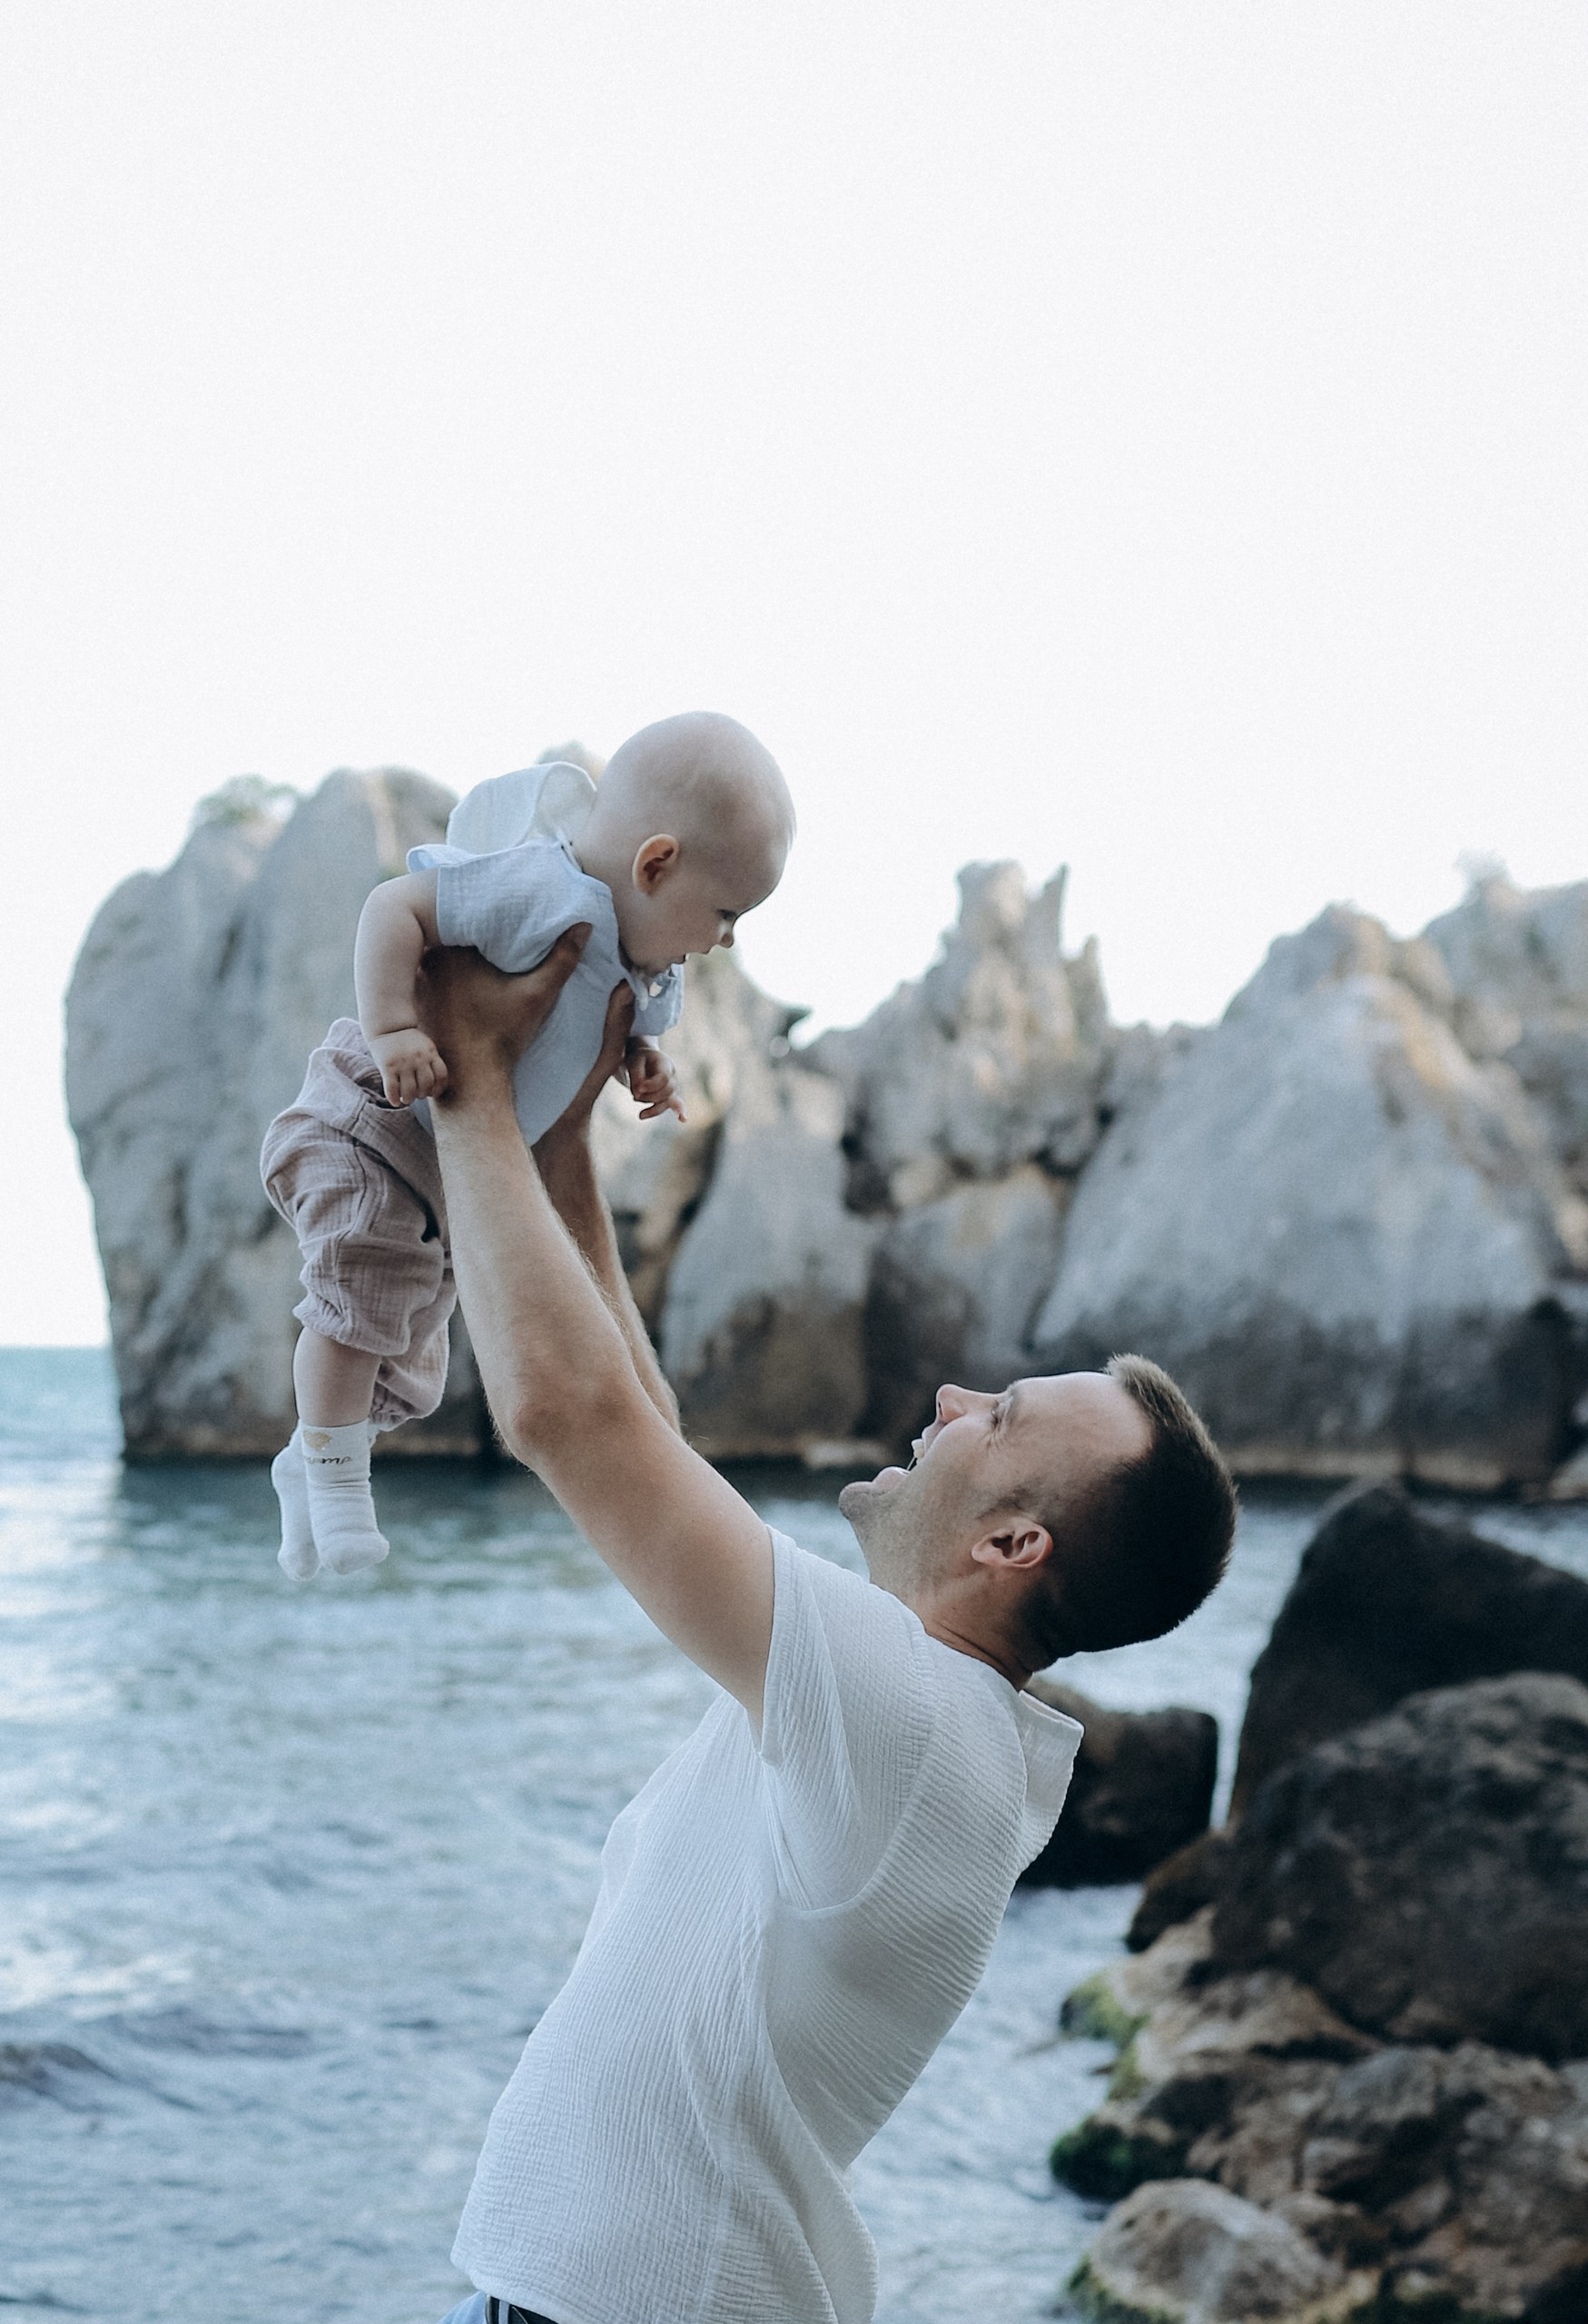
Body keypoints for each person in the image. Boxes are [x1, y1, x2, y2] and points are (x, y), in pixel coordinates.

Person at [417, 929, 1238, 2324]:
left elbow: (570, 1416)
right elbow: (655, 1435)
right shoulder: (909, 1706)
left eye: (1003, 1418)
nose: (953, 1400)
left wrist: (470, 1081)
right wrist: (557, 1137)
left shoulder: (909, 1723)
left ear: (1011, 1545)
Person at [259, 710, 794, 1578]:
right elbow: (393, 906)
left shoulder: (645, 971)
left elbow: (595, 1042)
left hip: (445, 1184)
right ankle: (335, 1478)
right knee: (360, 1291)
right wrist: (393, 1028)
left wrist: (642, 1064)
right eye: (727, 912)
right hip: (372, 1123)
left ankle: (311, 1450)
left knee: (409, 1358)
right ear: (654, 865)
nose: (726, 938)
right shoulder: (544, 892)